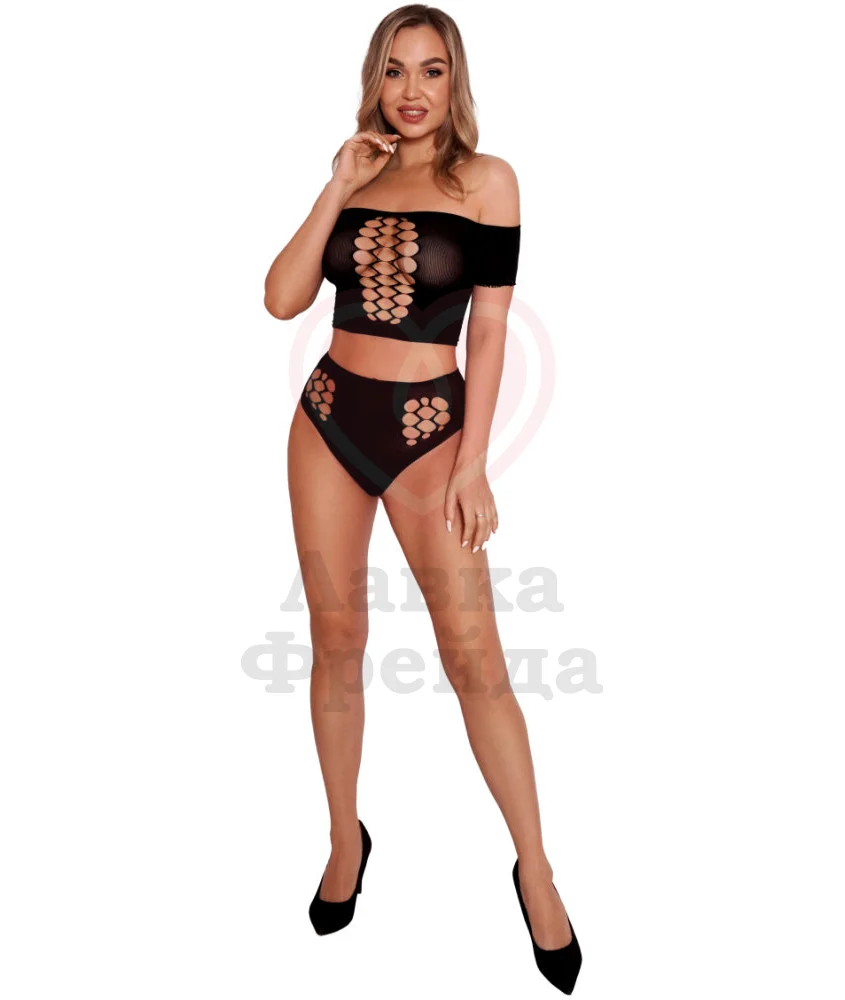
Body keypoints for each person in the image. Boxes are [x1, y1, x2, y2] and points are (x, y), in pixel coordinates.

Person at [264, 5, 582, 993]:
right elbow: (281, 300)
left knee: (474, 658)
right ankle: (343, 838)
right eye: (395, 70)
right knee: (335, 637)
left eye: (431, 71)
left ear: (455, 82)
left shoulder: (487, 182)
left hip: (427, 434)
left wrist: (473, 461)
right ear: (375, 80)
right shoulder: (357, 173)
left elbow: (488, 329)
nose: (411, 90)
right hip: (328, 418)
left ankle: (535, 869)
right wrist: (334, 185)